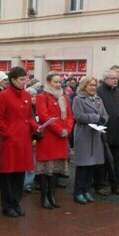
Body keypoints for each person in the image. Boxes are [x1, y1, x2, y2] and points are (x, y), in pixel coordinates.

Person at [0, 67, 41, 217]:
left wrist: (37, 128)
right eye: (21, 79)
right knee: (8, 174)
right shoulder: (3, 95)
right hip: (10, 142)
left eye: (25, 79)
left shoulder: (26, 95)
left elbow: (29, 117)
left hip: (24, 140)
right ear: (13, 80)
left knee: (20, 174)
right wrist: (7, 133)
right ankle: (7, 205)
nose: (24, 82)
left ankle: (16, 202)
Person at [35, 72, 74, 209]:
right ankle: (44, 196)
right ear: (48, 82)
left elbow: (70, 116)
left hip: (61, 138)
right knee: (46, 169)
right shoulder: (42, 97)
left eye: (59, 82)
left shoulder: (64, 97)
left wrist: (68, 130)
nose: (58, 85)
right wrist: (59, 130)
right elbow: (44, 117)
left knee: (56, 169)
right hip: (49, 138)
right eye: (55, 82)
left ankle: (52, 195)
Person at [94, 70, 119, 196]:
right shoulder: (98, 92)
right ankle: (100, 185)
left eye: (117, 78)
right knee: (102, 161)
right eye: (112, 78)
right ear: (105, 79)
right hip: (103, 131)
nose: (115, 80)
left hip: (118, 131)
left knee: (116, 161)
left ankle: (116, 185)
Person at [71, 77, 108, 204]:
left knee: (92, 165)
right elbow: (78, 116)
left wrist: (103, 119)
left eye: (94, 85)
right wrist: (96, 117)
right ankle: (78, 192)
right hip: (83, 134)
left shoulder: (98, 99)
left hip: (96, 134)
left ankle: (87, 190)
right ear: (84, 86)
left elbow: (105, 115)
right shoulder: (78, 99)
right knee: (82, 165)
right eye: (90, 85)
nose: (93, 87)